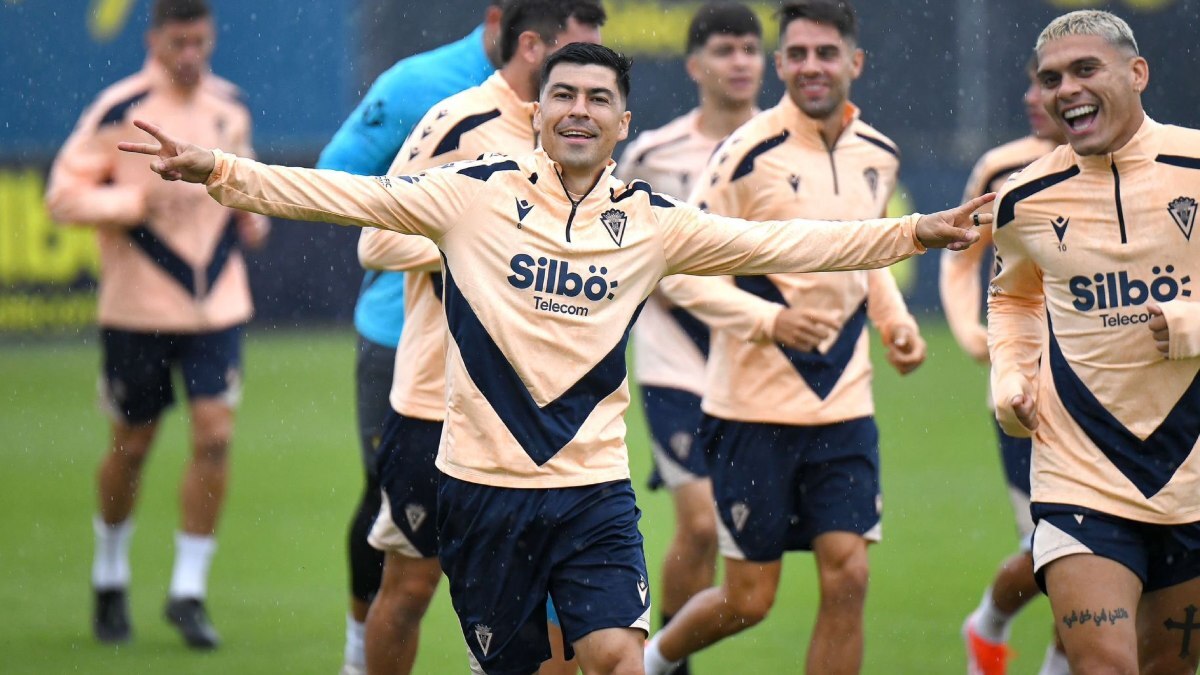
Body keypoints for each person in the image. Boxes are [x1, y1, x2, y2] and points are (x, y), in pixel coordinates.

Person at [117, 42, 991, 674]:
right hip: (484, 490)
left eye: (597, 98)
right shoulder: (474, 198)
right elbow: (347, 195)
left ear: (621, 121)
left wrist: (916, 232)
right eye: (563, 94)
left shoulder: (653, 221)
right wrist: (221, 172)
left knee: (615, 654)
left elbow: (785, 242)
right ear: (538, 113)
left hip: (593, 492)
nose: (578, 109)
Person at [643, 2, 924, 673]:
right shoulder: (744, 154)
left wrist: (896, 321)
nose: (812, 67)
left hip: (844, 407)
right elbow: (677, 269)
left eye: (826, 53)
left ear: (854, 63)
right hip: (750, 413)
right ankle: (655, 659)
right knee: (750, 598)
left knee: (849, 574)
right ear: (781, 66)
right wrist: (768, 320)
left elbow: (868, 256)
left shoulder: (879, 154)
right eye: (797, 54)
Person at [355, 3, 603, 673]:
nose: (590, 84)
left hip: (543, 415)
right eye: (577, 59)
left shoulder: (584, 135)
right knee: (408, 588)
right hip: (439, 405)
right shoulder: (460, 122)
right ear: (532, 48)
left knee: (543, 613)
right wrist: (480, 242)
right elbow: (376, 238)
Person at [44, 0, 268, 650]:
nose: (190, 55)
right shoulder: (121, 108)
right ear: (154, 41)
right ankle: (110, 570)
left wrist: (253, 215)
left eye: (200, 41)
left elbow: (244, 183)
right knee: (131, 446)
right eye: (179, 42)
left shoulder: (230, 107)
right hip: (138, 309)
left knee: (216, 435)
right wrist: (130, 199)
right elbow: (62, 194)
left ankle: (188, 590)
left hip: (216, 306)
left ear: (212, 38)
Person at [989, 9, 1200, 674]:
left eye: (1085, 69)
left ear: (1136, 73)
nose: (1065, 89)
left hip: (1189, 471)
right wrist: (1009, 379)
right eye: (1051, 78)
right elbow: (1013, 297)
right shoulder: (1023, 198)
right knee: (1104, 665)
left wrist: (1191, 324)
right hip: (1079, 469)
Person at [315, 5, 504, 673]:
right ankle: (356, 657)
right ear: (507, 18)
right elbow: (335, 178)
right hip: (404, 338)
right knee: (392, 514)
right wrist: (439, 228)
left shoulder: (569, 102)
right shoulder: (420, 83)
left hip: (513, 350)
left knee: (517, 521)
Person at [612, 6, 763, 672]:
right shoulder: (653, 152)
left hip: (757, 358)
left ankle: (666, 650)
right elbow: (623, 242)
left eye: (751, 50)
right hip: (674, 353)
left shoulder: (786, 147)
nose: (740, 62)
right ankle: (668, 664)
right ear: (696, 65)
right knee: (700, 523)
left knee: (744, 550)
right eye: (726, 50)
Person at [941, 56, 1069, 675]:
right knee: (1059, 552)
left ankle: (993, 629)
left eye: (1052, 82)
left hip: (1122, 391)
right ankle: (988, 626)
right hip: (1030, 391)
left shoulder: (1155, 169)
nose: (1033, 97)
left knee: (1101, 560)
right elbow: (961, 255)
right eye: (1037, 81)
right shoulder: (1004, 169)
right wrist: (970, 330)